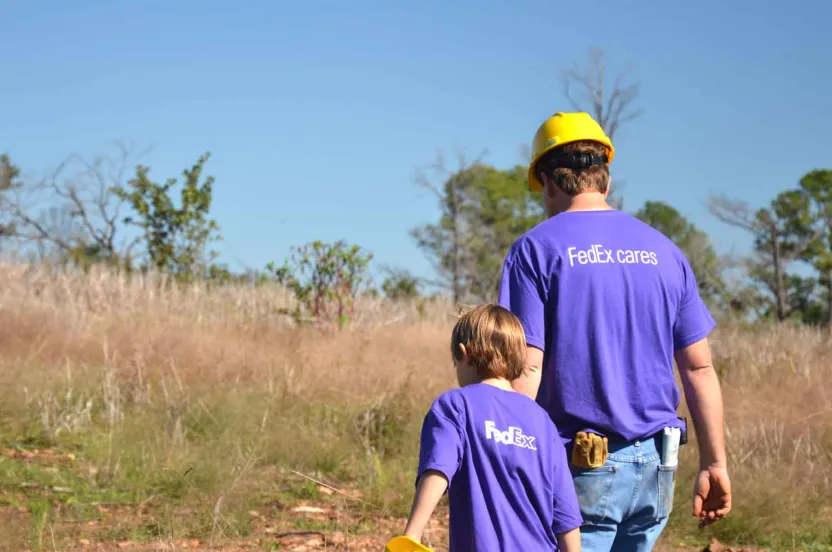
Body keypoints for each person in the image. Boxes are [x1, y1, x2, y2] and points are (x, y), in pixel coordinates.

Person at [497, 112, 732, 552]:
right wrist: (714, 463)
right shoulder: (666, 252)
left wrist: (501, 451)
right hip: (657, 469)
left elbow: (527, 365)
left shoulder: (534, 250)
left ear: (548, 181)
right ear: (604, 178)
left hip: (578, 468)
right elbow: (699, 367)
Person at [391, 304, 583, 552]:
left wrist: (412, 536)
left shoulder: (455, 406)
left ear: (464, 353)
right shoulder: (543, 422)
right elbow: (566, 514)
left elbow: (437, 471)